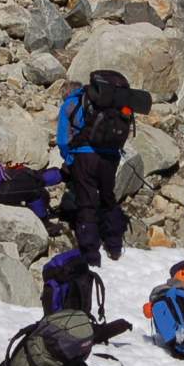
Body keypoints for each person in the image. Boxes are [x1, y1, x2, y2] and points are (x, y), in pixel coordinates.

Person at [56, 76, 130, 266]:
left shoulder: (71, 103)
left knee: (87, 203)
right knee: (107, 198)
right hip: (110, 157)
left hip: (84, 156)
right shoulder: (109, 102)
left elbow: (63, 140)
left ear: (66, 93)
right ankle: (114, 246)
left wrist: (70, 159)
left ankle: (91, 255)